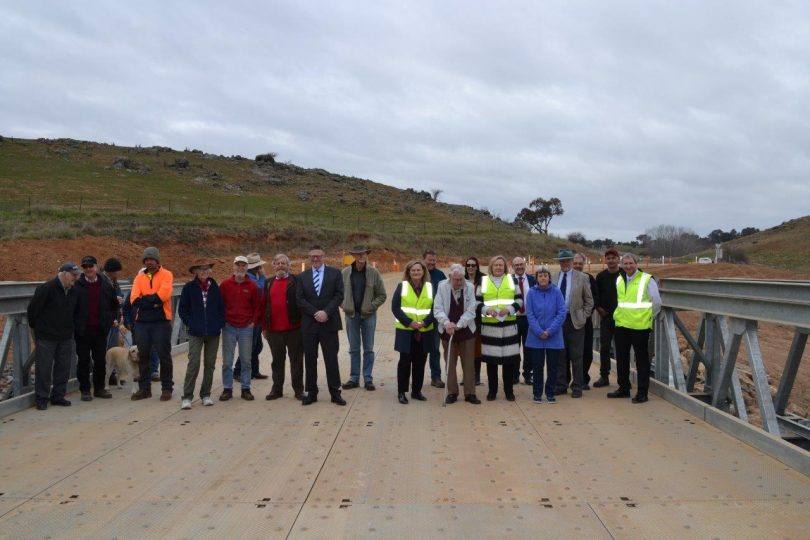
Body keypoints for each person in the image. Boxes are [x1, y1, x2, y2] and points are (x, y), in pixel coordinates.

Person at [27, 262, 82, 410]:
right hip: (46, 336)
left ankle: (58, 396)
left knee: (63, 367)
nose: (75, 278)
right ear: (64, 274)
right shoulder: (47, 288)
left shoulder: (74, 291)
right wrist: (39, 329)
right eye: (73, 275)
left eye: (77, 275)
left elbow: (76, 312)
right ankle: (42, 398)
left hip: (65, 336)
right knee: (44, 368)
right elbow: (33, 310)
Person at [607, 253, 661, 403]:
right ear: (622, 264)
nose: (628, 266)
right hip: (622, 325)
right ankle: (624, 388)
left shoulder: (646, 279)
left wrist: (648, 318)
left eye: (631, 263)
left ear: (636, 264)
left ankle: (642, 392)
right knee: (622, 359)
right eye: (626, 263)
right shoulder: (619, 279)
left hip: (640, 326)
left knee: (641, 360)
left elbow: (656, 302)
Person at [296, 245, 346, 406]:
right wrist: (315, 313)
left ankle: (335, 392)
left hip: (329, 323)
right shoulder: (302, 276)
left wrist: (326, 312)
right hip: (309, 325)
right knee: (310, 359)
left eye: (318, 256)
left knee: (331, 358)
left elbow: (339, 295)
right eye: (312, 256)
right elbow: (300, 299)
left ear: (323, 256)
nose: (315, 259)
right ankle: (311, 392)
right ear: (309, 257)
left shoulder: (335, 273)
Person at [178, 259, 225, 410]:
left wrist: (219, 323)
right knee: (194, 363)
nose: (204, 271)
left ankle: (206, 394)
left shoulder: (215, 287)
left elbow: (221, 307)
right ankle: (187, 396)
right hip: (196, 332)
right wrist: (191, 323)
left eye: (206, 269)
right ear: (195, 272)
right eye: (201, 269)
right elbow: (182, 310)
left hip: (213, 332)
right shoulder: (189, 288)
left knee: (210, 364)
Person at [129, 247, 174, 402]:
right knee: (143, 356)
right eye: (146, 259)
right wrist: (153, 302)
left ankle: (167, 388)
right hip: (142, 322)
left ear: (157, 260)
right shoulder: (139, 277)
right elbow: (134, 299)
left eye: (151, 259)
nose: (149, 262)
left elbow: (163, 295)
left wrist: (146, 301)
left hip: (161, 321)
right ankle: (144, 389)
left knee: (164, 355)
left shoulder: (167, 274)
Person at [341, 245, 387, 391]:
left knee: (368, 349)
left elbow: (382, 295)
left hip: (368, 316)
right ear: (353, 256)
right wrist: (345, 305)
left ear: (367, 255)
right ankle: (354, 378)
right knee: (354, 349)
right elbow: (339, 293)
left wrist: (370, 307)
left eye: (363, 254)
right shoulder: (345, 272)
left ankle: (367, 378)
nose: (361, 256)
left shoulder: (374, 273)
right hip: (351, 315)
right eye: (358, 254)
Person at [74, 255, 120, 401]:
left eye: (90, 266)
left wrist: (111, 319)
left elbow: (114, 305)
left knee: (100, 360)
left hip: (100, 330)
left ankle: (99, 388)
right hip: (83, 330)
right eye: (85, 267)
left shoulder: (106, 284)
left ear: (96, 266)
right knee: (83, 361)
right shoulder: (77, 285)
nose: (88, 269)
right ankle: (85, 390)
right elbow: (70, 307)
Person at [476, 255, 521, 401]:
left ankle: (509, 391)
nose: (498, 267)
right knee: (492, 362)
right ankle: (492, 391)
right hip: (490, 326)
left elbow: (519, 300)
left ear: (505, 267)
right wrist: (487, 310)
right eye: (496, 265)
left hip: (508, 325)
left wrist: (509, 309)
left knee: (509, 361)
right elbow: (477, 302)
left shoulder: (511, 280)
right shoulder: (483, 281)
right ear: (491, 266)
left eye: (501, 265)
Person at [433, 263, 480, 404]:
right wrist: (447, 323)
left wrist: (458, 325)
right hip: (447, 331)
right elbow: (437, 308)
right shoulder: (442, 286)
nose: (459, 282)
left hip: (466, 330)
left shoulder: (469, 287)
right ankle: (452, 392)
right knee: (450, 363)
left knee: (469, 363)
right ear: (450, 277)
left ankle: (470, 393)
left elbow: (472, 310)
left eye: (461, 279)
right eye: (456, 279)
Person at [392, 260, 437, 404]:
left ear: (424, 272)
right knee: (404, 362)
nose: (416, 272)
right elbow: (395, 308)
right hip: (406, 331)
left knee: (420, 362)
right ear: (408, 272)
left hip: (425, 331)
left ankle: (417, 391)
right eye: (413, 270)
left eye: (419, 270)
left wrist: (425, 322)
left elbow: (435, 309)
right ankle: (401, 392)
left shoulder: (430, 288)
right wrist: (410, 322)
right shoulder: (402, 286)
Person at [219, 255, 262, 401]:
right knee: (227, 361)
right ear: (233, 266)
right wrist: (223, 320)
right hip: (229, 326)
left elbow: (258, 306)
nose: (240, 268)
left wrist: (253, 322)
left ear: (247, 267)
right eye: (238, 265)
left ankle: (245, 388)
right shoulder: (225, 285)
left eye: (243, 265)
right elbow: (219, 304)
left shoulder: (252, 286)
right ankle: (227, 388)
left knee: (246, 360)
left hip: (246, 328)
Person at [262, 253, 305, 401]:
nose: (280, 266)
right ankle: (277, 389)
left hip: (294, 329)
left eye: (283, 263)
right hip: (274, 331)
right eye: (278, 263)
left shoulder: (297, 281)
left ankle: (298, 390)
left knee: (297, 361)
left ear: (288, 265)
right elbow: (264, 305)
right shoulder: (268, 283)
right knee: (277, 361)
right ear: (273, 265)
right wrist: (264, 327)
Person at [553, 249, 594, 398]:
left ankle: (577, 386)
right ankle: (561, 384)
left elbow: (589, 301)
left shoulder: (582, 277)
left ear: (571, 262)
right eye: (562, 261)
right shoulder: (554, 277)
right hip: (558, 321)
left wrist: (583, 316)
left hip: (575, 320)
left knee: (577, 355)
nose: (564, 263)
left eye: (567, 261)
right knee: (560, 355)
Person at [525, 265, 567, 403]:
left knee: (552, 366)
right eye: (540, 276)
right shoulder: (531, 292)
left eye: (545, 275)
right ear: (536, 278)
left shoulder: (556, 292)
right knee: (537, 366)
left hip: (553, 336)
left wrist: (549, 331)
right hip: (535, 336)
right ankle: (537, 393)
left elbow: (561, 312)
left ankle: (550, 392)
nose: (543, 278)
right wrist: (538, 331)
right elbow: (530, 314)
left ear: (549, 277)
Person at [234, 252, 269, 381]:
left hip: (257, 317)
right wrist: (264, 276)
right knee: (250, 346)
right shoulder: (250, 278)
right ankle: (237, 371)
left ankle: (254, 370)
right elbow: (260, 288)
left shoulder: (253, 276)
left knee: (256, 346)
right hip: (252, 318)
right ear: (257, 267)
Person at [593, 248, 623, 388]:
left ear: (618, 259)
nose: (611, 260)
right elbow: (596, 295)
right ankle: (604, 376)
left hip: (623, 317)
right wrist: (599, 309)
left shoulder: (624, 274)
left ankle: (623, 378)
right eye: (608, 258)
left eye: (613, 258)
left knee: (622, 348)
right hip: (606, 317)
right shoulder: (601, 276)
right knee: (604, 348)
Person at [573, 253, 599, 389]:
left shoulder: (589, 278)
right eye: (575, 263)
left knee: (586, 351)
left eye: (580, 263)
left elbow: (594, 297)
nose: (577, 266)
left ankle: (583, 378)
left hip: (584, 320)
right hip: (569, 320)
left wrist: (585, 314)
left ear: (584, 264)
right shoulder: (566, 277)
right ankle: (566, 379)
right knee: (568, 352)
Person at [423, 249, 446, 388]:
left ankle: (435, 377)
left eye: (434, 260)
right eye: (429, 260)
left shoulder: (440, 275)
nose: (431, 262)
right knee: (417, 351)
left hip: (436, 318)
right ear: (423, 259)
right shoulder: (418, 272)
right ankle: (416, 377)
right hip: (418, 319)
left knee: (434, 349)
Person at [511, 256, 536, 385]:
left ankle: (528, 374)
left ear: (525, 265)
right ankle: (514, 375)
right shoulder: (508, 281)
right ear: (512, 266)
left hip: (529, 319)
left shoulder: (532, 280)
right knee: (514, 348)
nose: (519, 267)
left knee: (529, 348)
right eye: (516, 265)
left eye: (521, 264)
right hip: (514, 318)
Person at [465, 256, 486, 386]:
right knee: (465, 349)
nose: (471, 267)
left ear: (477, 266)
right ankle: (467, 376)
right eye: (468, 265)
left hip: (479, 318)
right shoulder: (461, 279)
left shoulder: (483, 279)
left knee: (477, 349)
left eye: (473, 265)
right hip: (465, 319)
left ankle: (476, 376)